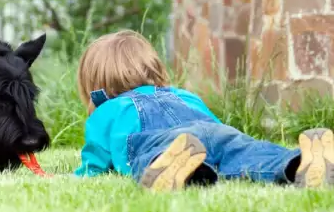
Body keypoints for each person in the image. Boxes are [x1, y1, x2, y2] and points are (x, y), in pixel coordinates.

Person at [73, 29, 334, 191]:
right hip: (216, 132)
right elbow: (212, 124)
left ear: (96, 89)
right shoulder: (182, 94)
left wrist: (81, 174)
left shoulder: (106, 110)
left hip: (171, 141)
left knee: (150, 152)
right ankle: (299, 161)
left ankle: (178, 165)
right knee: (248, 153)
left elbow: (94, 164)